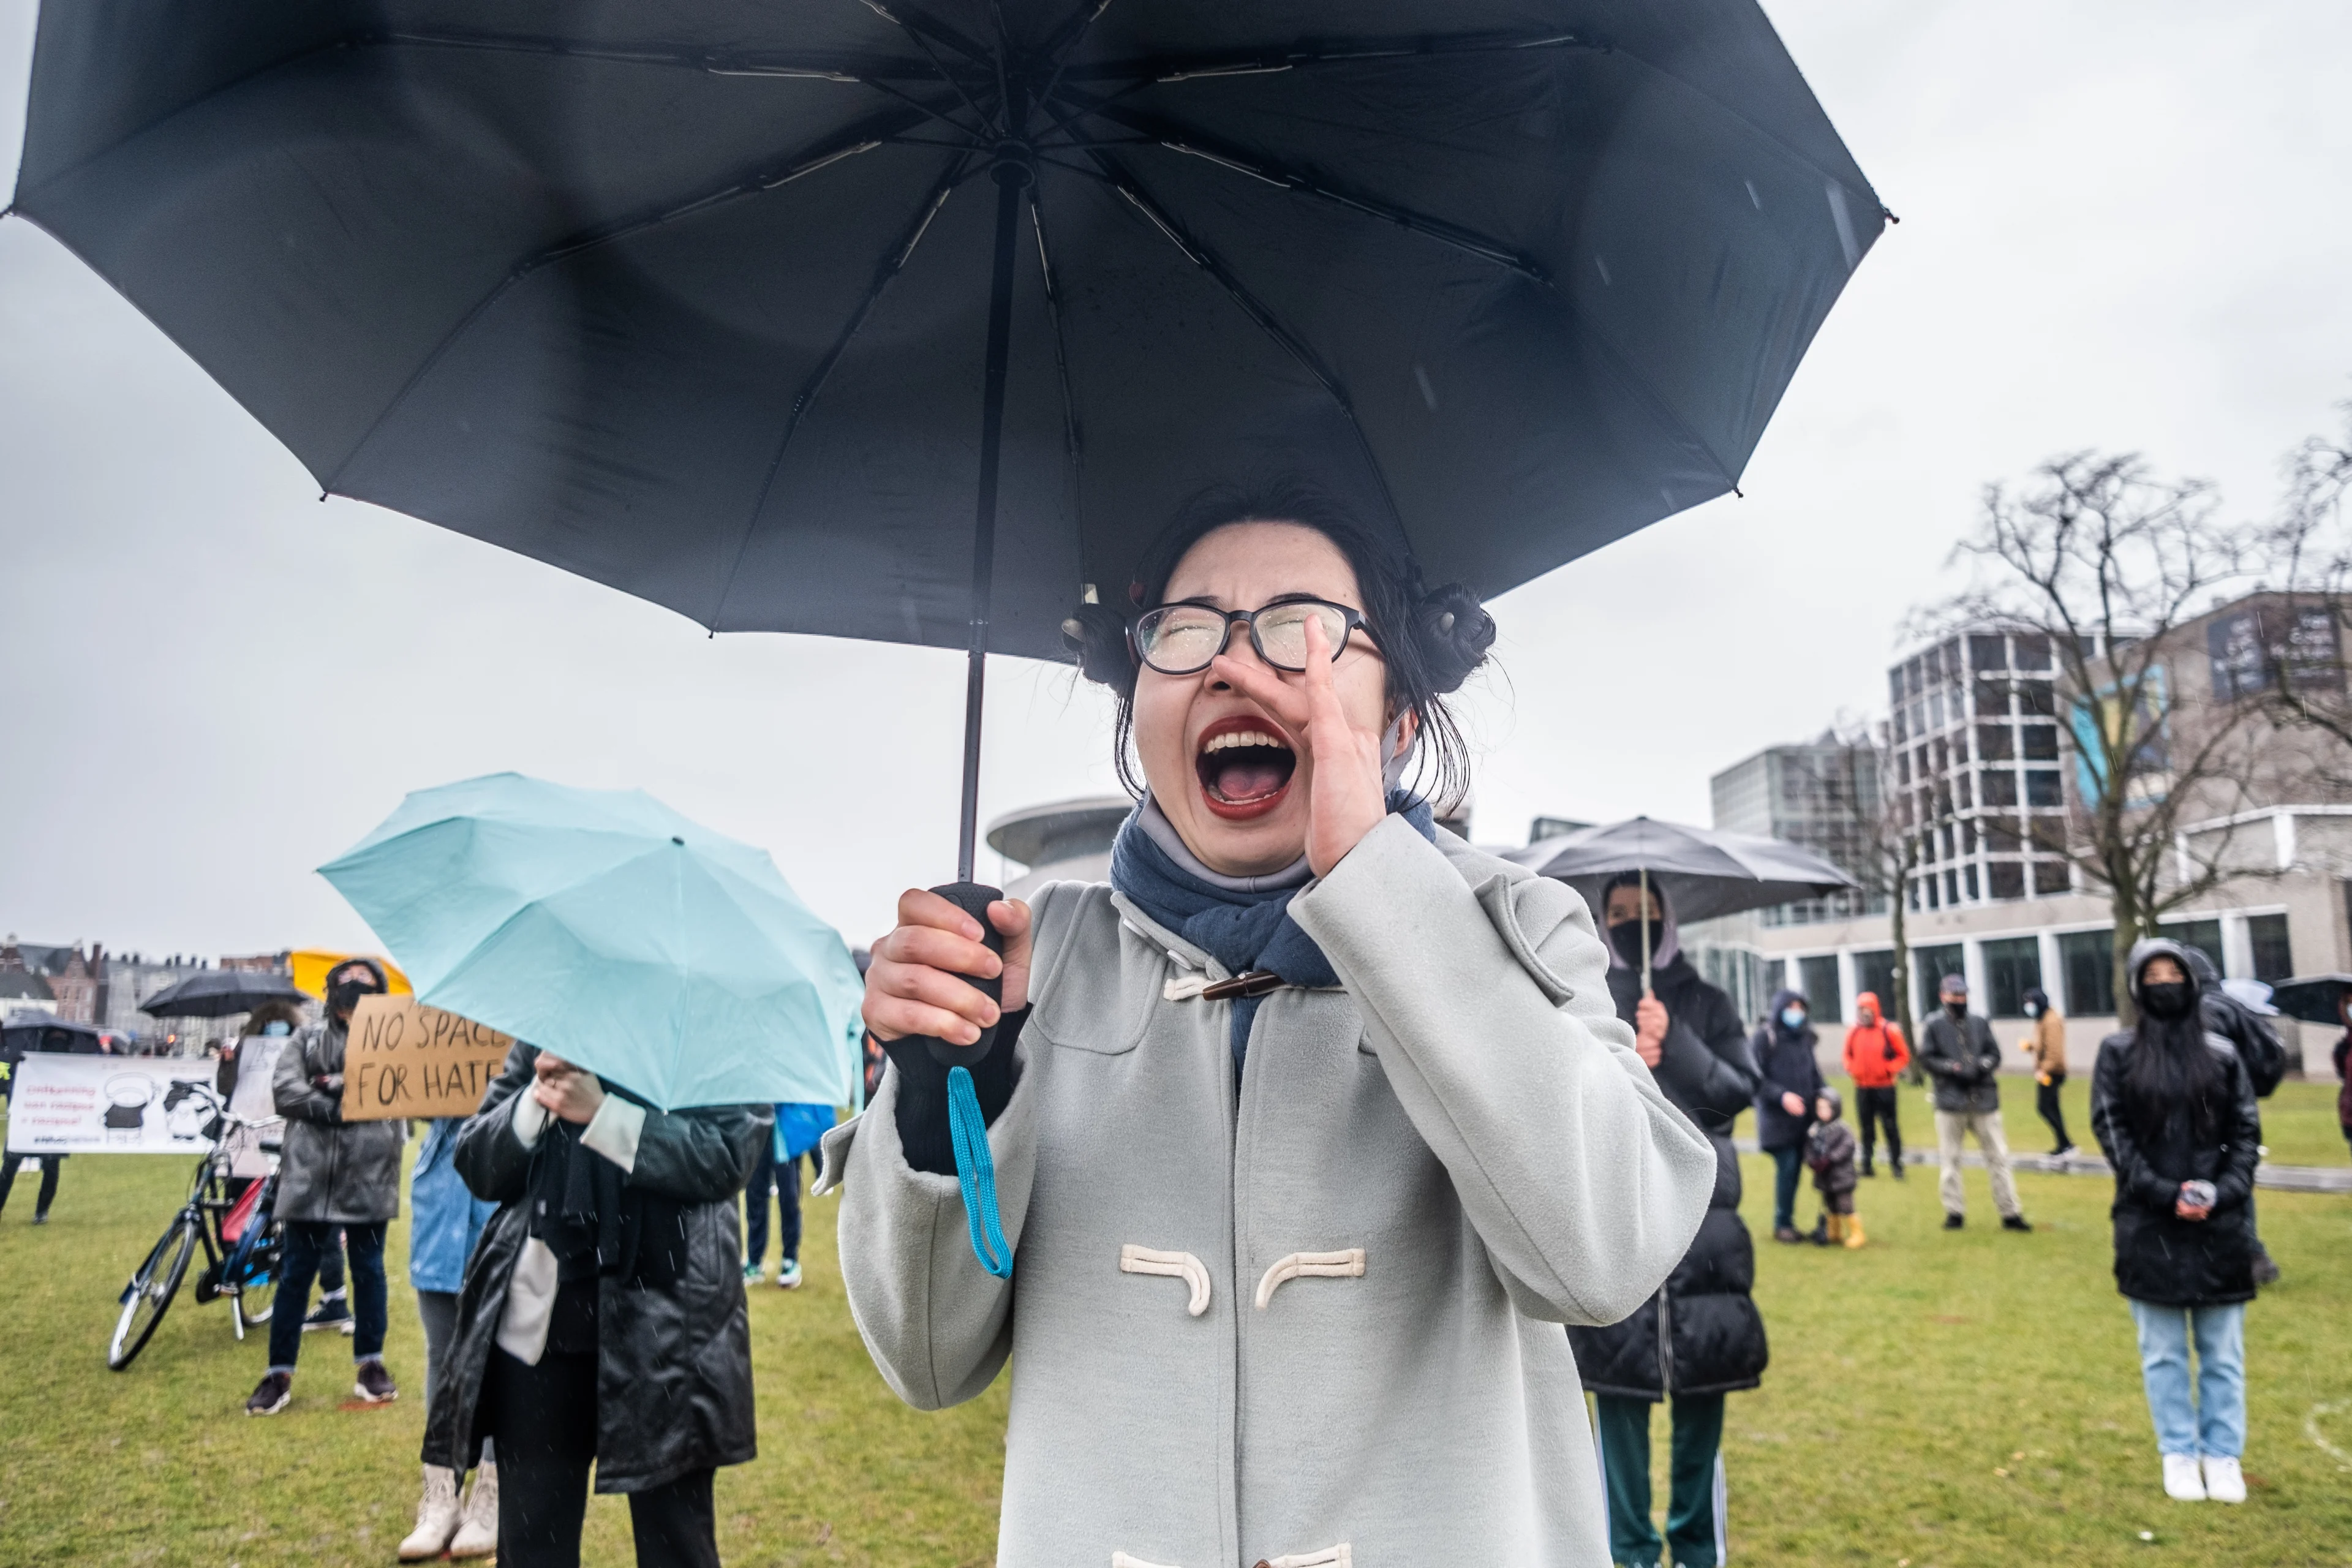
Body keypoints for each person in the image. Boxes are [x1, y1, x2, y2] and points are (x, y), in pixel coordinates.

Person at [844, 486, 1719, 1567]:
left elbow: (1602, 1256)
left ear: (1398, 718)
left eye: (1302, 630)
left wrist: (1386, 896)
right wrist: (945, 1095)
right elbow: (929, 1358)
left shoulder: (1521, 925)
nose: (1232, 664)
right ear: (1138, 707)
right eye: (1186, 630)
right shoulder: (1034, 960)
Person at [421, 1044, 769, 1568]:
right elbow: (476, 1162)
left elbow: (726, 1156)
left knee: (674, 1543)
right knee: (533, 1540)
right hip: (538, 1328)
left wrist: (605, 1113)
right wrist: (540, 1097)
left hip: (668, 1328)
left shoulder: (705, 1020)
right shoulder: (547, 1025)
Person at [1572, 872, 1765, 1568]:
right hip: (1618, 1215)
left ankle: (1694, 1547)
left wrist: (1676, 1042)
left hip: (1703, 1230)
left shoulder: (1707, 1001)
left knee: (1701, 1399)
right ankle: (1627, 1551)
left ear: (1669, 920)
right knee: (1618, 1398)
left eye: (1644, 913)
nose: (1632, 925)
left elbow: (1737, 1093)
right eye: (1619, 913)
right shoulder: (1584, 993)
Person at [2090, 939, 2261, 1504]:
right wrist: (2166, 1195)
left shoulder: (2222, 1056)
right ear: (2138, 987)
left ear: (2192, 983)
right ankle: (2179, 1453)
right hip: (2150, 1227)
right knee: (2162, 1352)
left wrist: (2222, 1191)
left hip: (2221, 1228)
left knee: (2223, 1352)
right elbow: (2115, 1135)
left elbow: (2245, 1134)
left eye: (2175, 975)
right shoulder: (2117, 1054)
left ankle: (2223, 1454)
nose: (2166, 984)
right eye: (2154, 976)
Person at [248, 957, 403, 1415]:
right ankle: (279, 1373)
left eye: (366, 981)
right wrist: (344, 1103)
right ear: (331, 988)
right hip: (309, 1178)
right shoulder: (306, 1037)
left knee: (370, 1272)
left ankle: (371, 1365)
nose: (355, 985)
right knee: (295, 1276)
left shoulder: (393, 1045)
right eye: (347, 979)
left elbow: (395, 1091)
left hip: (370, 1177)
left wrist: (331, 1082)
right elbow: (287, 1092)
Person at [400, 1115, 502, 1561]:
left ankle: (494, 1494)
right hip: (443, 1199)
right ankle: (442, 1494)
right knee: (441, 1357)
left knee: (501, 1359)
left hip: (502, 1189)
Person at [2182, 949, 2285, 1286]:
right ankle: (2246, 1257)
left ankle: (2252, 1258)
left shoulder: (2207, 1011)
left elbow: (2209, 1067)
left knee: (2227, 1188)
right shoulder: (2229, 1005)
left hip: (2218, 1117)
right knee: (2236, 1185)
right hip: (2238, 1112)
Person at [1918, 974, 2030, 1233]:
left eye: (1962, 995)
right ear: (1942, 996)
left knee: (1999, 1158)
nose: (1959, 1000)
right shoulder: (1934, 1025)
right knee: (1950, 1160)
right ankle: (1954, 1211)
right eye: (1954, 996)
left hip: (1984, 1099)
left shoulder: (1980, 1022)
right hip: (1949, 1100)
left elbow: (1995, 1053)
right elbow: (1927, 1058)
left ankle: (2010, 1212)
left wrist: (1983, 1066)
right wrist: (1951, 1069)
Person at [1752, 987, 1824, 1243]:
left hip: (1803, 1120)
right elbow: (1755, 1079)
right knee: (1788, 1166)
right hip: (1776, 1120)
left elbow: (1813, 1074)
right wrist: (1782, 1096)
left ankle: (1793, 1222)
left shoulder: (1804, 1038)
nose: (1796, 1013)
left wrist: (1825, 1097)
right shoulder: (1765, 1038)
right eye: (1791, 1008)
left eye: (1800, 1008)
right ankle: (1783, 1224)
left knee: (1797, 1171)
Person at [1843, 990, 1909, 1178]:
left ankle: (1897, 1166)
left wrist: (1889, 1069)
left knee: (1890, 1127)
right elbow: (1847, 1055)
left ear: (1875, 1009)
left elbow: (1903, 1055)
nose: (1865, 1013)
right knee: (1866, 1128)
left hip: (1885, 1087)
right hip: (1863, 1087)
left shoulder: (1889, 1030)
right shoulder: (1854, 1032)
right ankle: (1866, 1165)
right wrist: (1852, 1069)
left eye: (1868, 1009)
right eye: (1861, 1009)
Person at [741, 1110, 804, 1289]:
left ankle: (790, 1260)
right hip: (757, 1132)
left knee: (789, 1199)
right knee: (755, 1198)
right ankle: (754, 1261)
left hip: (786, 1132)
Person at [1805, 1087, 1863, 1247]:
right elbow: (1809, 1148)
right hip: (1825, 1176)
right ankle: (1834, 1231)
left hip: (1842, 1175)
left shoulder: (1842, 1129)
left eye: (1826, 1108)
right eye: (1819, 1108)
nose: (1822, 1112)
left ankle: (1856, 1232)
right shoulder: (1815, 1130)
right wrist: (1812, 1161)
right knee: (1829, 1203)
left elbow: (1847, 1146)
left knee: (1845, 1204)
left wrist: (1830, 1159)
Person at [2022, 987, 2074, 1156]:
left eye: (2031, 1003)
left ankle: (2065, 1143)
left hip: (2052, 1072)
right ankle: (2063, 1144)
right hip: (2048, 1071)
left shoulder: (2051, 1021)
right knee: (2052, 1108)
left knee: (2045, 1107)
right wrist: (2031, 1047)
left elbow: (2055, 1053)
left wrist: (2043, 1071)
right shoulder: (2043, 1019)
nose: (2029, 1007)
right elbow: (2044, 1046)